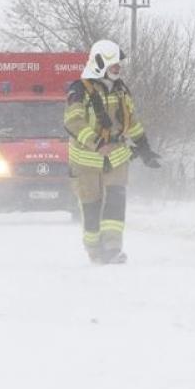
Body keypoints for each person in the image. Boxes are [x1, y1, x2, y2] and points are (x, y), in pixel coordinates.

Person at [64, 40, 161, 264]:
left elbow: (131, 120)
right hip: (86, 161)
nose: (118, 69)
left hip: (116, 157)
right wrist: (96, 142)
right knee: (91, 207)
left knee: (116, 199)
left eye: (118, 65)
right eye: (114, 65)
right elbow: (73, 121)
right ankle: (95, 250)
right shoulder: (79, 90)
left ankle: (113, 248)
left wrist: (144, 147)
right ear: (99, 64)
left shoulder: (120, 89)